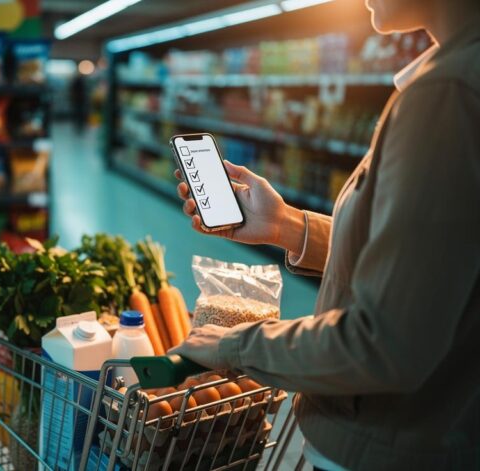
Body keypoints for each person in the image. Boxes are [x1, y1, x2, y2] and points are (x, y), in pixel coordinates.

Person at [171, 0, 480, 469]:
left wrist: (232, 347)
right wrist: (290, 227)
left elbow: (385, 343)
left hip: (393, 445)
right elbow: (434, 263)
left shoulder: (448, 93)